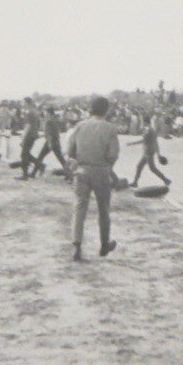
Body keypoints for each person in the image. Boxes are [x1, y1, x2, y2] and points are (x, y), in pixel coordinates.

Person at [66, 96, 120, 261]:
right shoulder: (110, 128)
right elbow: (113, 154)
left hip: (82, 171)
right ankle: (104, 244)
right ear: (106, 110)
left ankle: (77, 246)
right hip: (102, 171)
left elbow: (70, 151)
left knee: (79, 208)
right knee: (103, 210)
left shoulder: (79, 126)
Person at [128, 115, 171, 188]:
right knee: (140, 166)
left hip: (148, 151)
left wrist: (131, 143)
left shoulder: (148, 130)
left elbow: (143, 140)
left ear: (144, 122)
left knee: (151, 168)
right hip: (150, 151)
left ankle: (166, 180)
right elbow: (156, 142)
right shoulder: (152, 130)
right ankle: (135, 182)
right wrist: (158, 153)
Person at [32, 107, 72, 178]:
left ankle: (33, 173)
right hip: (56, 140)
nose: (45, 113)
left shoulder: (48, 121)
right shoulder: (55, 119)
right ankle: (69, 174)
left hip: (50, 141)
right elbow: (55, 131)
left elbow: (49, 133)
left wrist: (49, 143)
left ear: (49, 113)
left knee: (40, 157)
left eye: (46, 112)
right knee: (61, 159)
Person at [19, 98, 41, 180]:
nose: (22, 104)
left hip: (29, 135)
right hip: (34, 134)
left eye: (23, 102)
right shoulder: (35, 111)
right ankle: (39, 165)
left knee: (24, 154)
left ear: (27, 103)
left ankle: (25, 175)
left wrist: (23, 138)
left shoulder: (28, 112)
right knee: (26, 153)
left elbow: (28, 126)